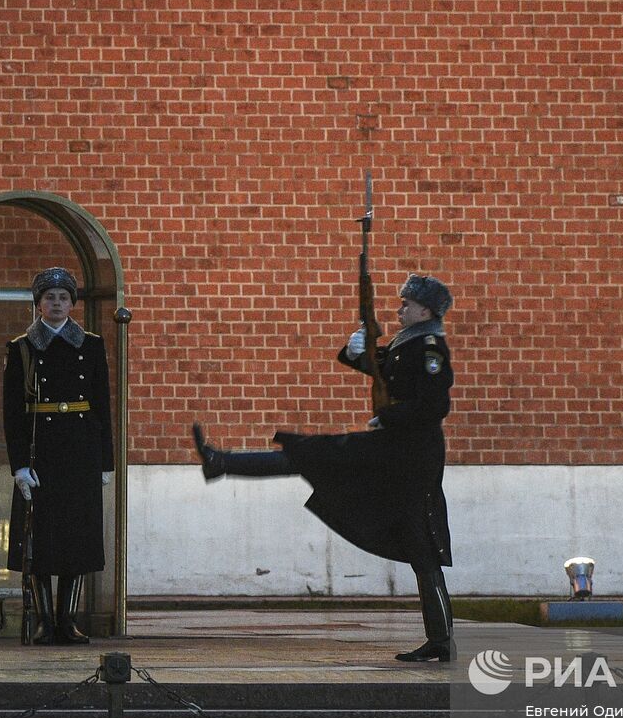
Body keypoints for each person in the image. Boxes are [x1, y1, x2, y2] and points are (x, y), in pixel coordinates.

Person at [193, 274, 457, 662]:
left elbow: (434, 406)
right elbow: (377, 369)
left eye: (406, 304)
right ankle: (222, 462)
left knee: (318, 456)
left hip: (410, 455)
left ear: (426, 310)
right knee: (315, 458)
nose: (399, 309)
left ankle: (441, 639)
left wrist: (391, 418)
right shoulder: (408, 344)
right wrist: (356, 350)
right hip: (395, 449)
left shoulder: (430, 348)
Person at [3, 266, 114, 645]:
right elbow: (12, 411)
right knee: (39, 539)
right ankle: (44, 620)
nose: (56, 303)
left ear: (72, 304)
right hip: (41, 451)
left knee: (76, 537)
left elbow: (102, 406)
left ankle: (67, 620)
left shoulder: (91, 345)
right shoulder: (22, 347)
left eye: (63, 297)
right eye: (49, 297)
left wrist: (105, 462)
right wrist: (19, 465)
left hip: (80, 449)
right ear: (38, 304)